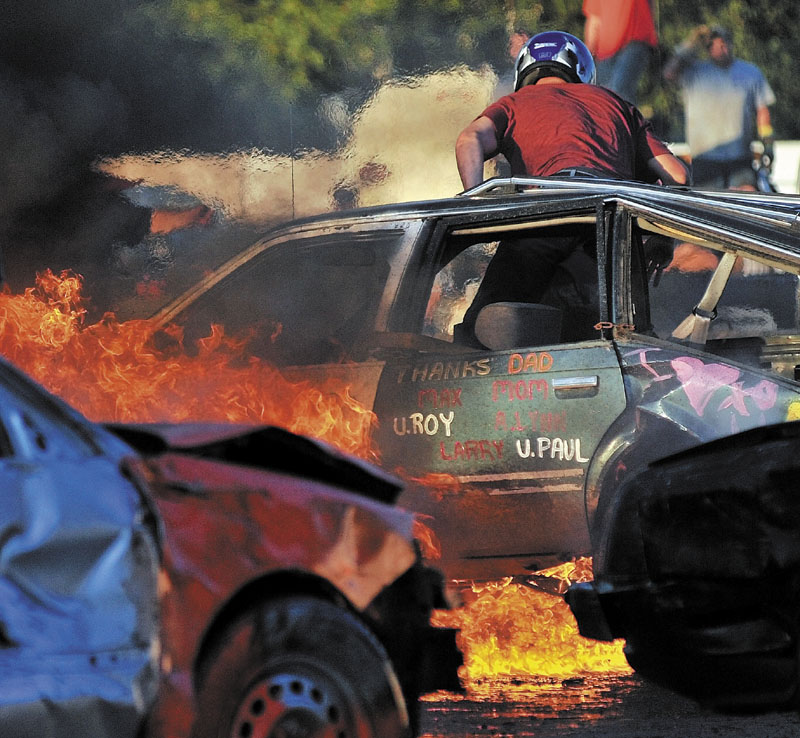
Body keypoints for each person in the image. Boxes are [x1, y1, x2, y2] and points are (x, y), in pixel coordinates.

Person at [454, 31, 688, 347]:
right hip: (612, 224)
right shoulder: (616, 104)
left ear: (524, 70)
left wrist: (476, 200)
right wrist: (662, 238)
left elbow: (469, 140)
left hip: (543, 219)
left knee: (479, 335)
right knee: (632, 344)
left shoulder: (513, 103)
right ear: (580, 69)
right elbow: (679, 177)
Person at [663, 25, 776, 189]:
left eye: (725, 43)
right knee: (706, 207)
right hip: (705, 157)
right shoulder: (695, 73)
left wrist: (768, 143)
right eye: (715, 45)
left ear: (731, 44)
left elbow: (762, 112)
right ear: (708, 49)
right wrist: (692, 42)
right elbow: (669, 73)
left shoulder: (750, 72)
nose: (722, 49)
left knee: (747, 200)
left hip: (740, 157)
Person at [582, 0, 659, 104]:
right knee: (603, 98)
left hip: (636, 40)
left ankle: (626, 119)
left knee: (620, 90)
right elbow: (594, 20)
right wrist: (588, 55)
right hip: (605, 50)